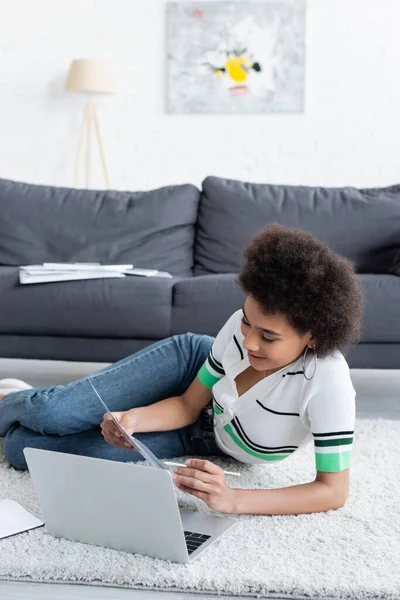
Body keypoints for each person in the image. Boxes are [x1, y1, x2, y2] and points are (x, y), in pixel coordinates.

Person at [0, 223, 364, 516]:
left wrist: (233, 499)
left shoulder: (327, 383)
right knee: (53, 413)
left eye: (268, 337)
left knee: (23, 450)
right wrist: (134, 421)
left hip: (198, 438)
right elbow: (189, 405)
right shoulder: (239, 329)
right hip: (185, 367)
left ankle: (18, 394)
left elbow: (332, 491)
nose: (249, 342)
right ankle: (21, 399)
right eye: (247, 323)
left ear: (313, 336)